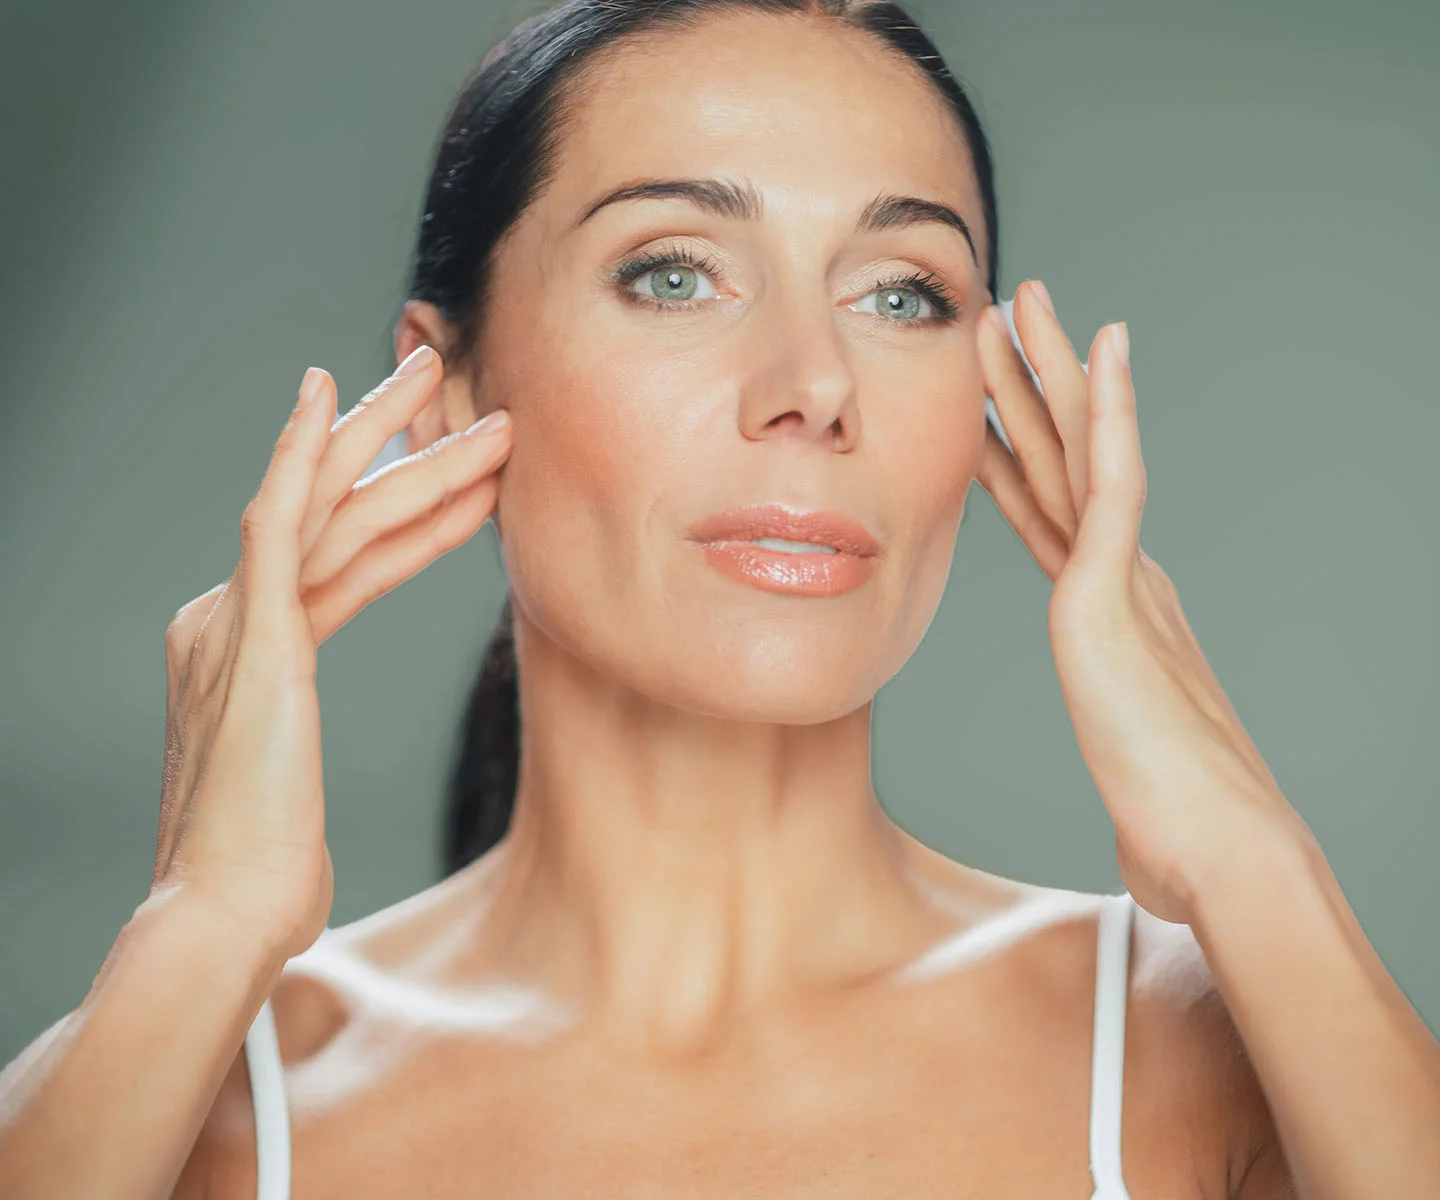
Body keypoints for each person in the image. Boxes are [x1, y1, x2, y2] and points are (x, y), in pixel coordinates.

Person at [2, 0, 1438, 1196]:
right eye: (676, 274)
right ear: (440, 392)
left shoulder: (1206, 1048)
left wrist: (1253, 861)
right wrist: (204, 920)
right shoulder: (211, 1108)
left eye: (902, 294)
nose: (814, 386)